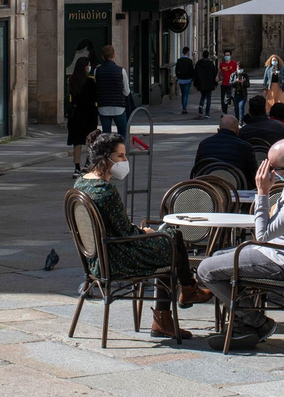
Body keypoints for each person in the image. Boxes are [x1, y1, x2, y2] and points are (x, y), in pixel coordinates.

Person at [195, 138, 284, 349]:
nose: (267, 172)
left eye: (273, 168)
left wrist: (262, 192)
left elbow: (262, 235)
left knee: (205, 270)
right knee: (216, 258)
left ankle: (257, 323)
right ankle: (243, 326)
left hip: (283, 258)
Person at [75, 133, 209, 340]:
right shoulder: (106, 190)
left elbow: (110, 224)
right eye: (120, 156)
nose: (125, 161)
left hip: (96, 259)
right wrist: (143, 232)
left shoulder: (81, 184)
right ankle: (182, 297)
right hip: (117, 259)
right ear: (105, 159)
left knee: (168, 241)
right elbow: (126, 233)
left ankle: (180, 298)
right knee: (172, 240)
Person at [193, 114, 258, 177]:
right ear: (237, 131)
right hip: (237, 186)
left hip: (208, 185)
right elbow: (253, 175)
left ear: (218, 130)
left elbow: (196, 171)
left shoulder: (204, 145)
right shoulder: (246, 147)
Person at [66, 57, 100, 175]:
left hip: (76, 114)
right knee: (89, 140)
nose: (89, 67)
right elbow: (96, 97)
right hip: (89, 113)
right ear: (85, 67)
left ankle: (76, 167)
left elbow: (71, 96)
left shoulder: (71, 80)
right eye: (88, 65)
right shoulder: (91, 81)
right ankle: (87, 163)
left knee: (77, 141)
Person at [94, 44, 131, 139]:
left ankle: (108, 153)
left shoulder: (97, 71)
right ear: (114, 55)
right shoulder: (121, 71)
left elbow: (96, 87)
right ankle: (120, 153)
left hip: (103, 107)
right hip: (119, 107)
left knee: (106, 135)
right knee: (122, 134)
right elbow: (126, 91)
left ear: (102, 57)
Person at [193, 50, 219, 119]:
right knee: (208, 98)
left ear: (202, 55)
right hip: (209, 83)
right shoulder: (211, 64)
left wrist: (195, 83)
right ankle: (207, 113)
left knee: (203, 95)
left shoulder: (198, 63)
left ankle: (201, 105)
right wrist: (215, 83)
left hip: (201, 83)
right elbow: (214, 73)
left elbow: (195, 74)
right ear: (208, 56)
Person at [174, 47, 196, 115]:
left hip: (181, 80)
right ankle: (184, 108)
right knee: (186, 94)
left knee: (183, 94)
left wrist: (178, 76)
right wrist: (192, 77)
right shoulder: (189, 61)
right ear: (188, 52)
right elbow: (192, 70)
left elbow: (176, 69)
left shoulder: (179, 60)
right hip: (188, 80)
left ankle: (183, 107)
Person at [218, 50, 240, 114]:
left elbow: (237, 72)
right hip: (224, 84)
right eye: (226, 55)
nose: (227, 56)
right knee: (224, 100)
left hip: (232, 84)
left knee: (234, 99)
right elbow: (219, 71)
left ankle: (237, 113)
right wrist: (217, 76)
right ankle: (224, 113)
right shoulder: (222, 64)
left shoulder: (234, 63)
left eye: (228, 55)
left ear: (230, 56)